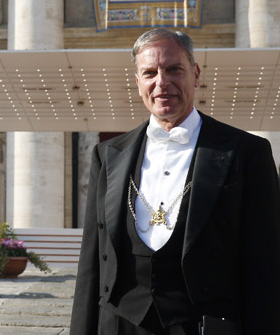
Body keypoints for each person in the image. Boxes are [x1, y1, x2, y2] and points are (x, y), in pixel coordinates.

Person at [71, 29, 280, 334]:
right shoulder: (108, 155)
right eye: (150, 73)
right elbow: (91, 261)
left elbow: (266, 264)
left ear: (195, 74)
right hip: (118, 324)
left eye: (173, 69)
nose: (161, 82)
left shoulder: (246, 153)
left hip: (205, 325)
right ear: (138, 81)